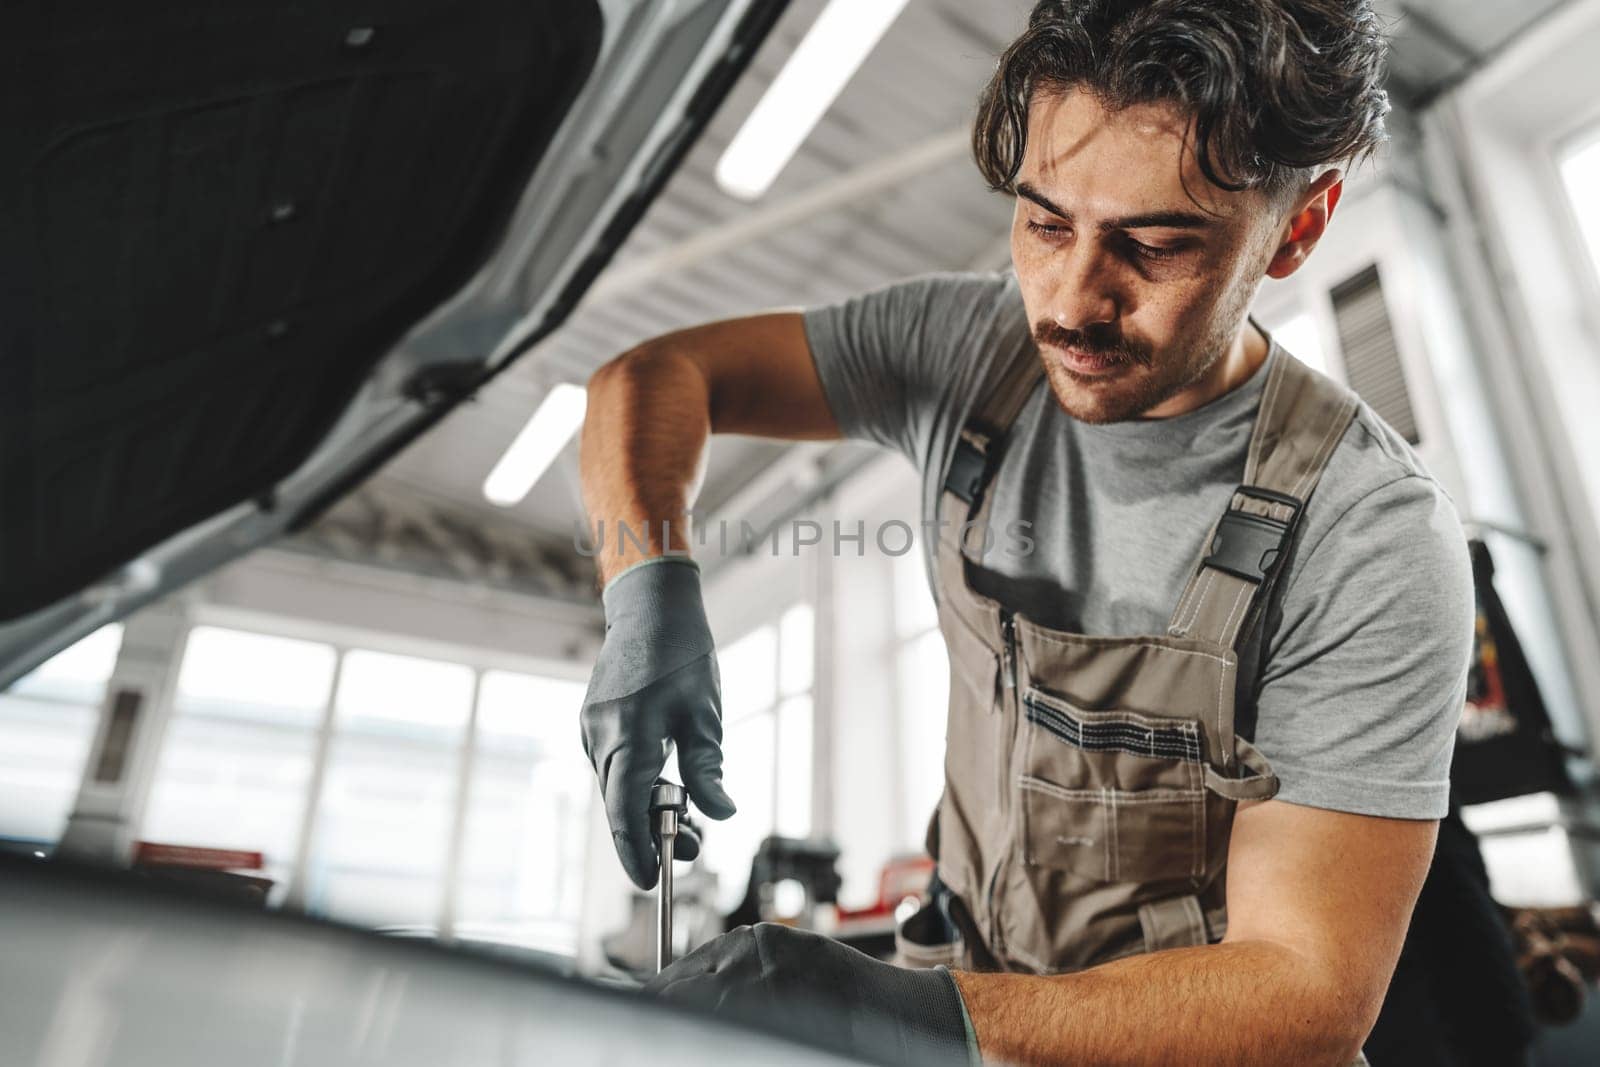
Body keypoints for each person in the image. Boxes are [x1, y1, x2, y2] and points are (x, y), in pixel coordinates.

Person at [576, 2, 1474, 1064]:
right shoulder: (965, 352)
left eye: (1153, 244)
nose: (1072, 301)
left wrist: (922, 1016)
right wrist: (646, 591)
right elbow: (655, 375)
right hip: (968, 1002)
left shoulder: (1364, 529)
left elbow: (1305, 985)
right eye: (1045, 222)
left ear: (1300, 226)